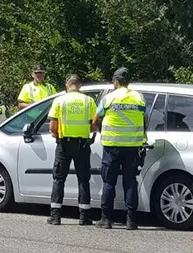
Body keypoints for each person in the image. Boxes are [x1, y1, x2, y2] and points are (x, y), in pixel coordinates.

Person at [91, 68, 146, 230]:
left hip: (112, 146)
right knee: (130, 182)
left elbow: (95, 120)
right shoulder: (139, 97)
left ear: (115, 81)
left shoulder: (109, 97)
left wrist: (99, 131)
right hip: (132, 146)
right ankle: (131, 221)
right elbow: (145, 118)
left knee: (109, 182)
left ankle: (106, 219)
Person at [47, 75, 98, 226]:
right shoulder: (88, 101)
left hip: (64, 144)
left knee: (58, 179)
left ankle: (55, 217)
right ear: (79, 86)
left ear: (67, 85)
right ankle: (84, 217)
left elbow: (52, 126)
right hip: (82, 144)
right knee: (83, 179)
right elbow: (95, 124)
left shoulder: (60, 101)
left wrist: (56, 135)